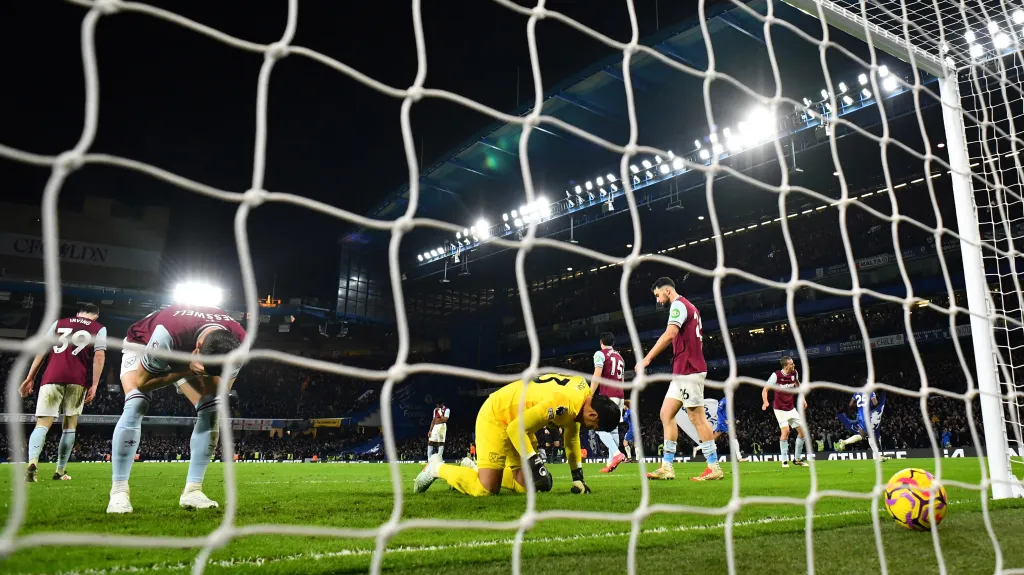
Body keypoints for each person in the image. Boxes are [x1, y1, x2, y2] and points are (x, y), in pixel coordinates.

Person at [107, 304, 245, 514]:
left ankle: (193, 491)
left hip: (187, 356)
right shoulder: (167, 333)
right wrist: (186, 369)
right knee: (136, 401)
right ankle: (118, 492)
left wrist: (200, 373)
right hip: (143, 344)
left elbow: (221, 389)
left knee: (213, 408)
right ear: (197, 347)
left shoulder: (239, 343)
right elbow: (143, 382)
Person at [413, 373, 621, 496]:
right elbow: (514, 429)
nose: (590, 429)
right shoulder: (564, 404)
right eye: (594, 426)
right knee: (486, 489)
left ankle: (474, 467)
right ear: (593, 414)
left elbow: (572, 437)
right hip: (497, 415)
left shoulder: (582, 395)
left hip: (519, 422)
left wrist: (578, 478)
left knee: (526, 488)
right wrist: (536, 464)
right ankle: (435, 467)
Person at [636, 277, 723, 481]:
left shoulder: (678, 305)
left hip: (690, 369)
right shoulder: (688, 306)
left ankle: (714, 466)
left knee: (696, 417)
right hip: (682, 370)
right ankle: (667, 466)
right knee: (666, 413)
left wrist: (646, 359)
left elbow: (670, 334)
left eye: (657, 295)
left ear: (667, 290)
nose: (657, 301)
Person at [19, 303, 106, 482]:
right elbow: (99, 356)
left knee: (42, 424)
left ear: (78, 313)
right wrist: (95, 384)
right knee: (70, 425)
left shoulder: (58, 324)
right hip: (77, 380)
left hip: (52, 377)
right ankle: (59, 471)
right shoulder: (99, 328)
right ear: (95, 317)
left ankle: (33, 462)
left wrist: (30, 377)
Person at [761, 356, 808, 468]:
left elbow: (797, 384)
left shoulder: (794, 373)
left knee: (802, 433)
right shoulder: (776, 375)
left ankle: (797, 459)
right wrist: (765, 402)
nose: (794, 365)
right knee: (786, 431)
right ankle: (784, 460)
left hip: (791, 408)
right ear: (786, 366)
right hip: (779, 408)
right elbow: (765, 390)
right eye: (792, 364)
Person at [591, 332, 626, 473]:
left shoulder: (600, 354)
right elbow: (622, 379)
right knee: (614, 429)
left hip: (607, 396)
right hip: (619, 395)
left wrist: (589, 394)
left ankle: (617, 455)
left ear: (601, 342)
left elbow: (597, 375)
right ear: (613, 343)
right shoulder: (620, 357)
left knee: (599, 428)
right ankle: (610, 463)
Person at [837, 389, 887, 453]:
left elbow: (850, 405)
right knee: (864, 435)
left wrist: (856, 407)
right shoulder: (870, 392)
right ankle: (844, 442)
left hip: (860, 416)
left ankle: (878, 455)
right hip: (867, 417)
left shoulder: (857, 392)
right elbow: (875, 403)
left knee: (867, 435)